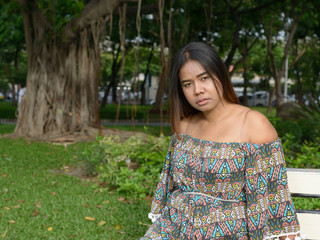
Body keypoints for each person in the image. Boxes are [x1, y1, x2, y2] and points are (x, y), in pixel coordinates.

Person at [140, 42, 303, 240]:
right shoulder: (184, 127)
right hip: (174, 228)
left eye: (204, 78)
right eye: (187, 84)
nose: (197, 90)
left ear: (221, 75)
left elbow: (274, 203)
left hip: (227, 232)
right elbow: (171, 188)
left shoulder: (253, 124)